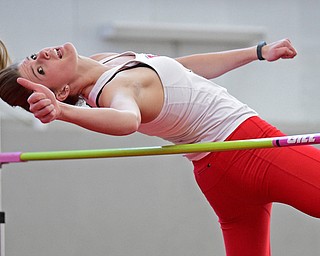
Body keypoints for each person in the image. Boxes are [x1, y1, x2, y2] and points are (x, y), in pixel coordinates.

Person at [0, 38, 319, 256]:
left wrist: (257, 52)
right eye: (40, 71)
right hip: (249, 150)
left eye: (32, 59)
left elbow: (181, 70)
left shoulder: (105, 62)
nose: (40, 56)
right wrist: (64, 112)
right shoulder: (114, 89)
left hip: (218, 175)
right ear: (64, 89)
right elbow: (127, 120)